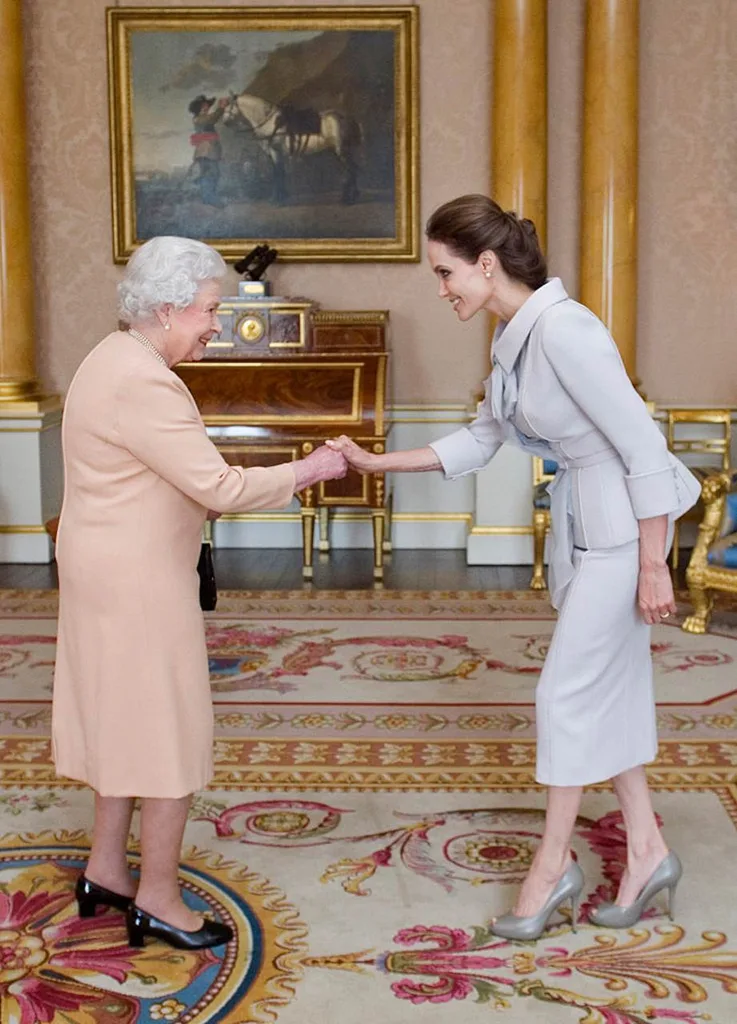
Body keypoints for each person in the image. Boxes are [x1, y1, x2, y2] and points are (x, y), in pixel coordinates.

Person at [327, 194, 700, 941]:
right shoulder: (514, 338)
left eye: (445, 273)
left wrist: (655, 564)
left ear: (486, 265)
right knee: (609, 692)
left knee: (563, 694)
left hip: (623, 536)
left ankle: (550, 867)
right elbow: (479, 438)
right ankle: (648, 851)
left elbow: (643, 446)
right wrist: (375, 459)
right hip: (587, 528)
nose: (441, 291)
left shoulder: (565, 330)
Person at [52, 236, 347, 951]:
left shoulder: (111, 357)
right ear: (167, 308)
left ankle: (105, 871)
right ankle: (154, 896)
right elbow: (217, 487)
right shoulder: (145, 379)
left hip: (104, 568)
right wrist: (310, 468)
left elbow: (177, 473)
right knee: (169, 732)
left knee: (124, 720)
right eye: (210, 310)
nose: (217, 323)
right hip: (137, 581)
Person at [188, 94, 228, 207]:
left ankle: (208, 197)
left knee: (210, 174)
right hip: (206, 151)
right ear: (200, 107)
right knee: (212, 174)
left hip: (209, 150)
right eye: (205, 105)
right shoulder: (199, 118)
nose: (207, 106)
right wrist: (222, 107)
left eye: (207, 105)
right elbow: (212, 119)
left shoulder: (203, 117)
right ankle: (210, 198)